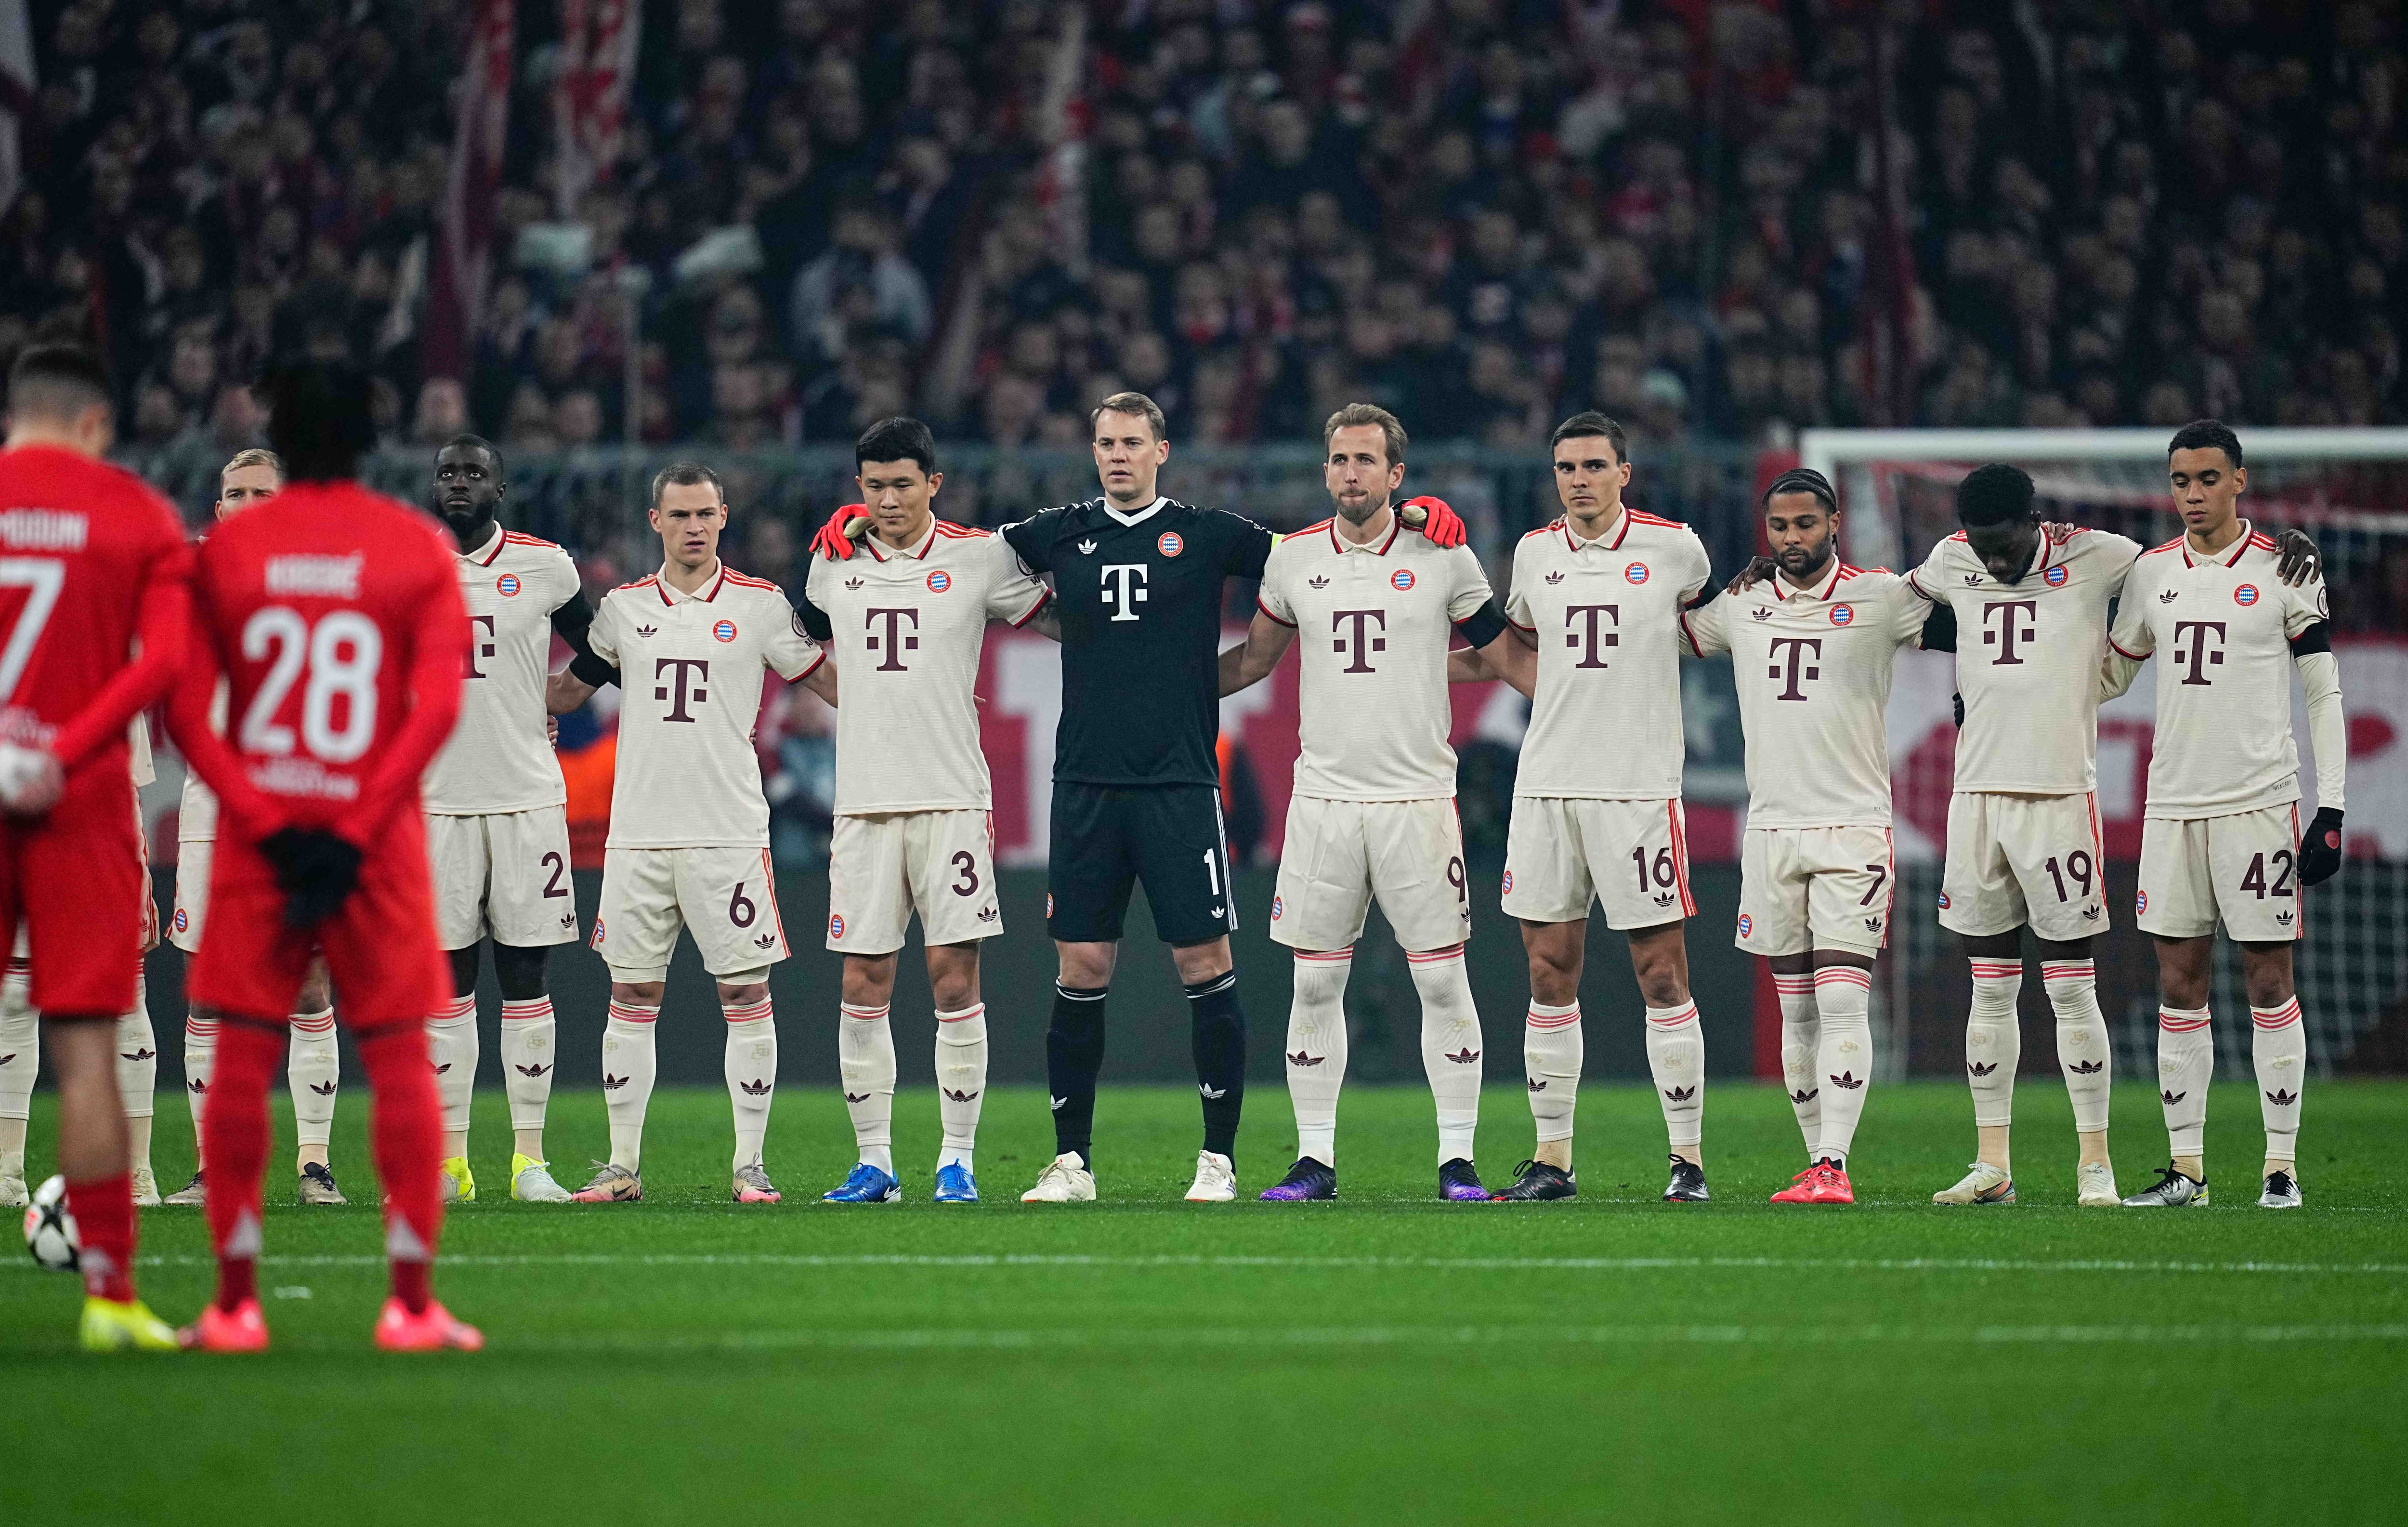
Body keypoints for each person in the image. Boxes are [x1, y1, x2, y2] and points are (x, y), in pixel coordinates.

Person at [808, 391, 1466, 1203]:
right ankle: (1071, 1163)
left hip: (1182, 780)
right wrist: (860, 520)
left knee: (1205, 962)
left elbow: (1314, 556)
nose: (1117, 455)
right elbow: (947, 544)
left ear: (1161, 451)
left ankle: (1218, 1162)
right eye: (1105, 443)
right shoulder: (1053, 533)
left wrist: (1414, 518)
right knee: (1081, 966)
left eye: (1131, 442)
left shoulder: (1210, 533)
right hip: (1084, 780)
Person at [170, 360, 478, 1353]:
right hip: (373, 847)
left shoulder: (228, 550)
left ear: (283, 441)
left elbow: (183, 704)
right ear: (369, 441)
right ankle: (412, 1305)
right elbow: (437, 706)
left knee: (244, 1055)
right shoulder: (415, 548)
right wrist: (353, 826)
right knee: (397, 1063)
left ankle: (233, 1305)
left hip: (259, 847)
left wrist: (264, 817)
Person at [1907, 463, 2312, 1208]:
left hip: (2062, 796)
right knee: (1989, 989)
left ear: (2036, 519)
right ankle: (1992, 1163)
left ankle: (2096, 1163)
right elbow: (1899, 607)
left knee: (2070, 987)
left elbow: (2189, 560)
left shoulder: (2103, 554)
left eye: (2004, 545)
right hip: (1975, 797)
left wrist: (2276, 546)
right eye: (1981, 546)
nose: (1992, 560)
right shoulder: (1949, 558)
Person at [1217, 403, 1522, 1202]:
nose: (1350, 473)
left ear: (1396, 475)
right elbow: (1253, 659)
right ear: (1326, 471)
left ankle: (1458, 1161)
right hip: (1323, 802)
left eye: (1365, 460)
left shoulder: (1445, 555)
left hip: (1419, 799)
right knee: (1315, 984)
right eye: (1339, 460)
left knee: (1442, 983)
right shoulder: (1292, 561)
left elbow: (1502, 656)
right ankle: (1314, 1161)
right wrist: (1163, 687)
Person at [1452, 412, 1721, 1204]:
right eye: (1567, 467)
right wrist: (1417, 664)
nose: (1579, 479)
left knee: (1662, 974)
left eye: (1594, 465)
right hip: (1546, 786)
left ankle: (1687, 1162)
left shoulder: (1676, 548)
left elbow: (1714, 626)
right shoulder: (1536, 554)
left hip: (1637, 788)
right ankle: (1553, 1161)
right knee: (1547, 971)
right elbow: (1519, 651)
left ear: (1624, 473)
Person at [547, 463, 831, 1205]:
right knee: (632, 992)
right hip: (639, 834)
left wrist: (908, 691)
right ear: (656, 521)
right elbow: (573, 686)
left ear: (724, 516)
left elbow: (827, 680)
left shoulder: (762, 605)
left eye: (706, 513)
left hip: (728, 833)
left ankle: (750, 1166)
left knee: (745, 991)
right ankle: (622, 1165)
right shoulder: (622, 609)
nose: (695, 527)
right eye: (681, 515)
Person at [1682, 468, 1951, 1204]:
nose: (1792, 538)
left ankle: (1835, 1161)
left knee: (1841, 1001)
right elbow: (1666, 634)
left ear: (1834, 522)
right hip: (1770, 828)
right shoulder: (1741, 603)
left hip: (1853, 829)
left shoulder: (1882, 598)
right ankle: (1815, 1164)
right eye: (1779, 527)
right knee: (1796, 1006)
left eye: (1806, 524)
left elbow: (1978, 612)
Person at [797, 417, 1047, 1205]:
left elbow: (1055, 616)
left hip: (951, 799)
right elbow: (797, 647)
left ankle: (957, 1160)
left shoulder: (979, 559)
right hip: (865, 802)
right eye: (874, 486)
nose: (890, 499)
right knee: (864, 980)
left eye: (904, 483)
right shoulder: (830, 565)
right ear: (859, 490)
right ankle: (874, 1161)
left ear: (933, 484)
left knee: (952, 978)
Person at [0, 342, 195, 1351]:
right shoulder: (132, 513)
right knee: (84, 1055)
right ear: (93, 423)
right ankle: (112, 1300)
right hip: (78, 802)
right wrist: (59, 747)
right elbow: (165, 660)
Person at [2102, 421, 2344, 1210]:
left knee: (2269, 980)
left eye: (2208, 478)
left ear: (2240, 480)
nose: (2194, 494)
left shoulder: (2286, 567)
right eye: (2181, 481)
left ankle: (2281, 1169)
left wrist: (2331, 805)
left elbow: (2322, 692)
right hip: (2172, 803)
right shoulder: (2150, 574)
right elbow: (2110, 674)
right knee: (2180, 983)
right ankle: (2188, 1173)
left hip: (2257, 803)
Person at [421, 434, 616, 1205]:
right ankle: (450, 1161)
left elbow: (600, 643)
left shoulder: (546, 565)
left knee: (527, 972)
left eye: (474, 473)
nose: (460, 483)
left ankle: (529, 1161)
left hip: (528, 800)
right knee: (448, 978)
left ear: (499, 490)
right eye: (448, 473)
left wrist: (567, 695)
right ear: (433, 486)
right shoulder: (406, 563)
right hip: (435, 801)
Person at [160, 448, 349, 1210]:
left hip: (304, 803)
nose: (245, 503)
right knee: (207, 992)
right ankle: (213, 1170)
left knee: (308, 985)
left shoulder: (327, 572)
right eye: (233, 492)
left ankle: (313, 1165)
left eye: (260, 492)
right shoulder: (184, 575)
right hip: (214, 806)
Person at [0, 720, 165, 1209]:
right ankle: (8, 1171)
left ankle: (137, 1170)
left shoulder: (108, 646)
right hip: (17, 805)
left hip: (100, 807)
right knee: (14, 992)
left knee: (126, 989)